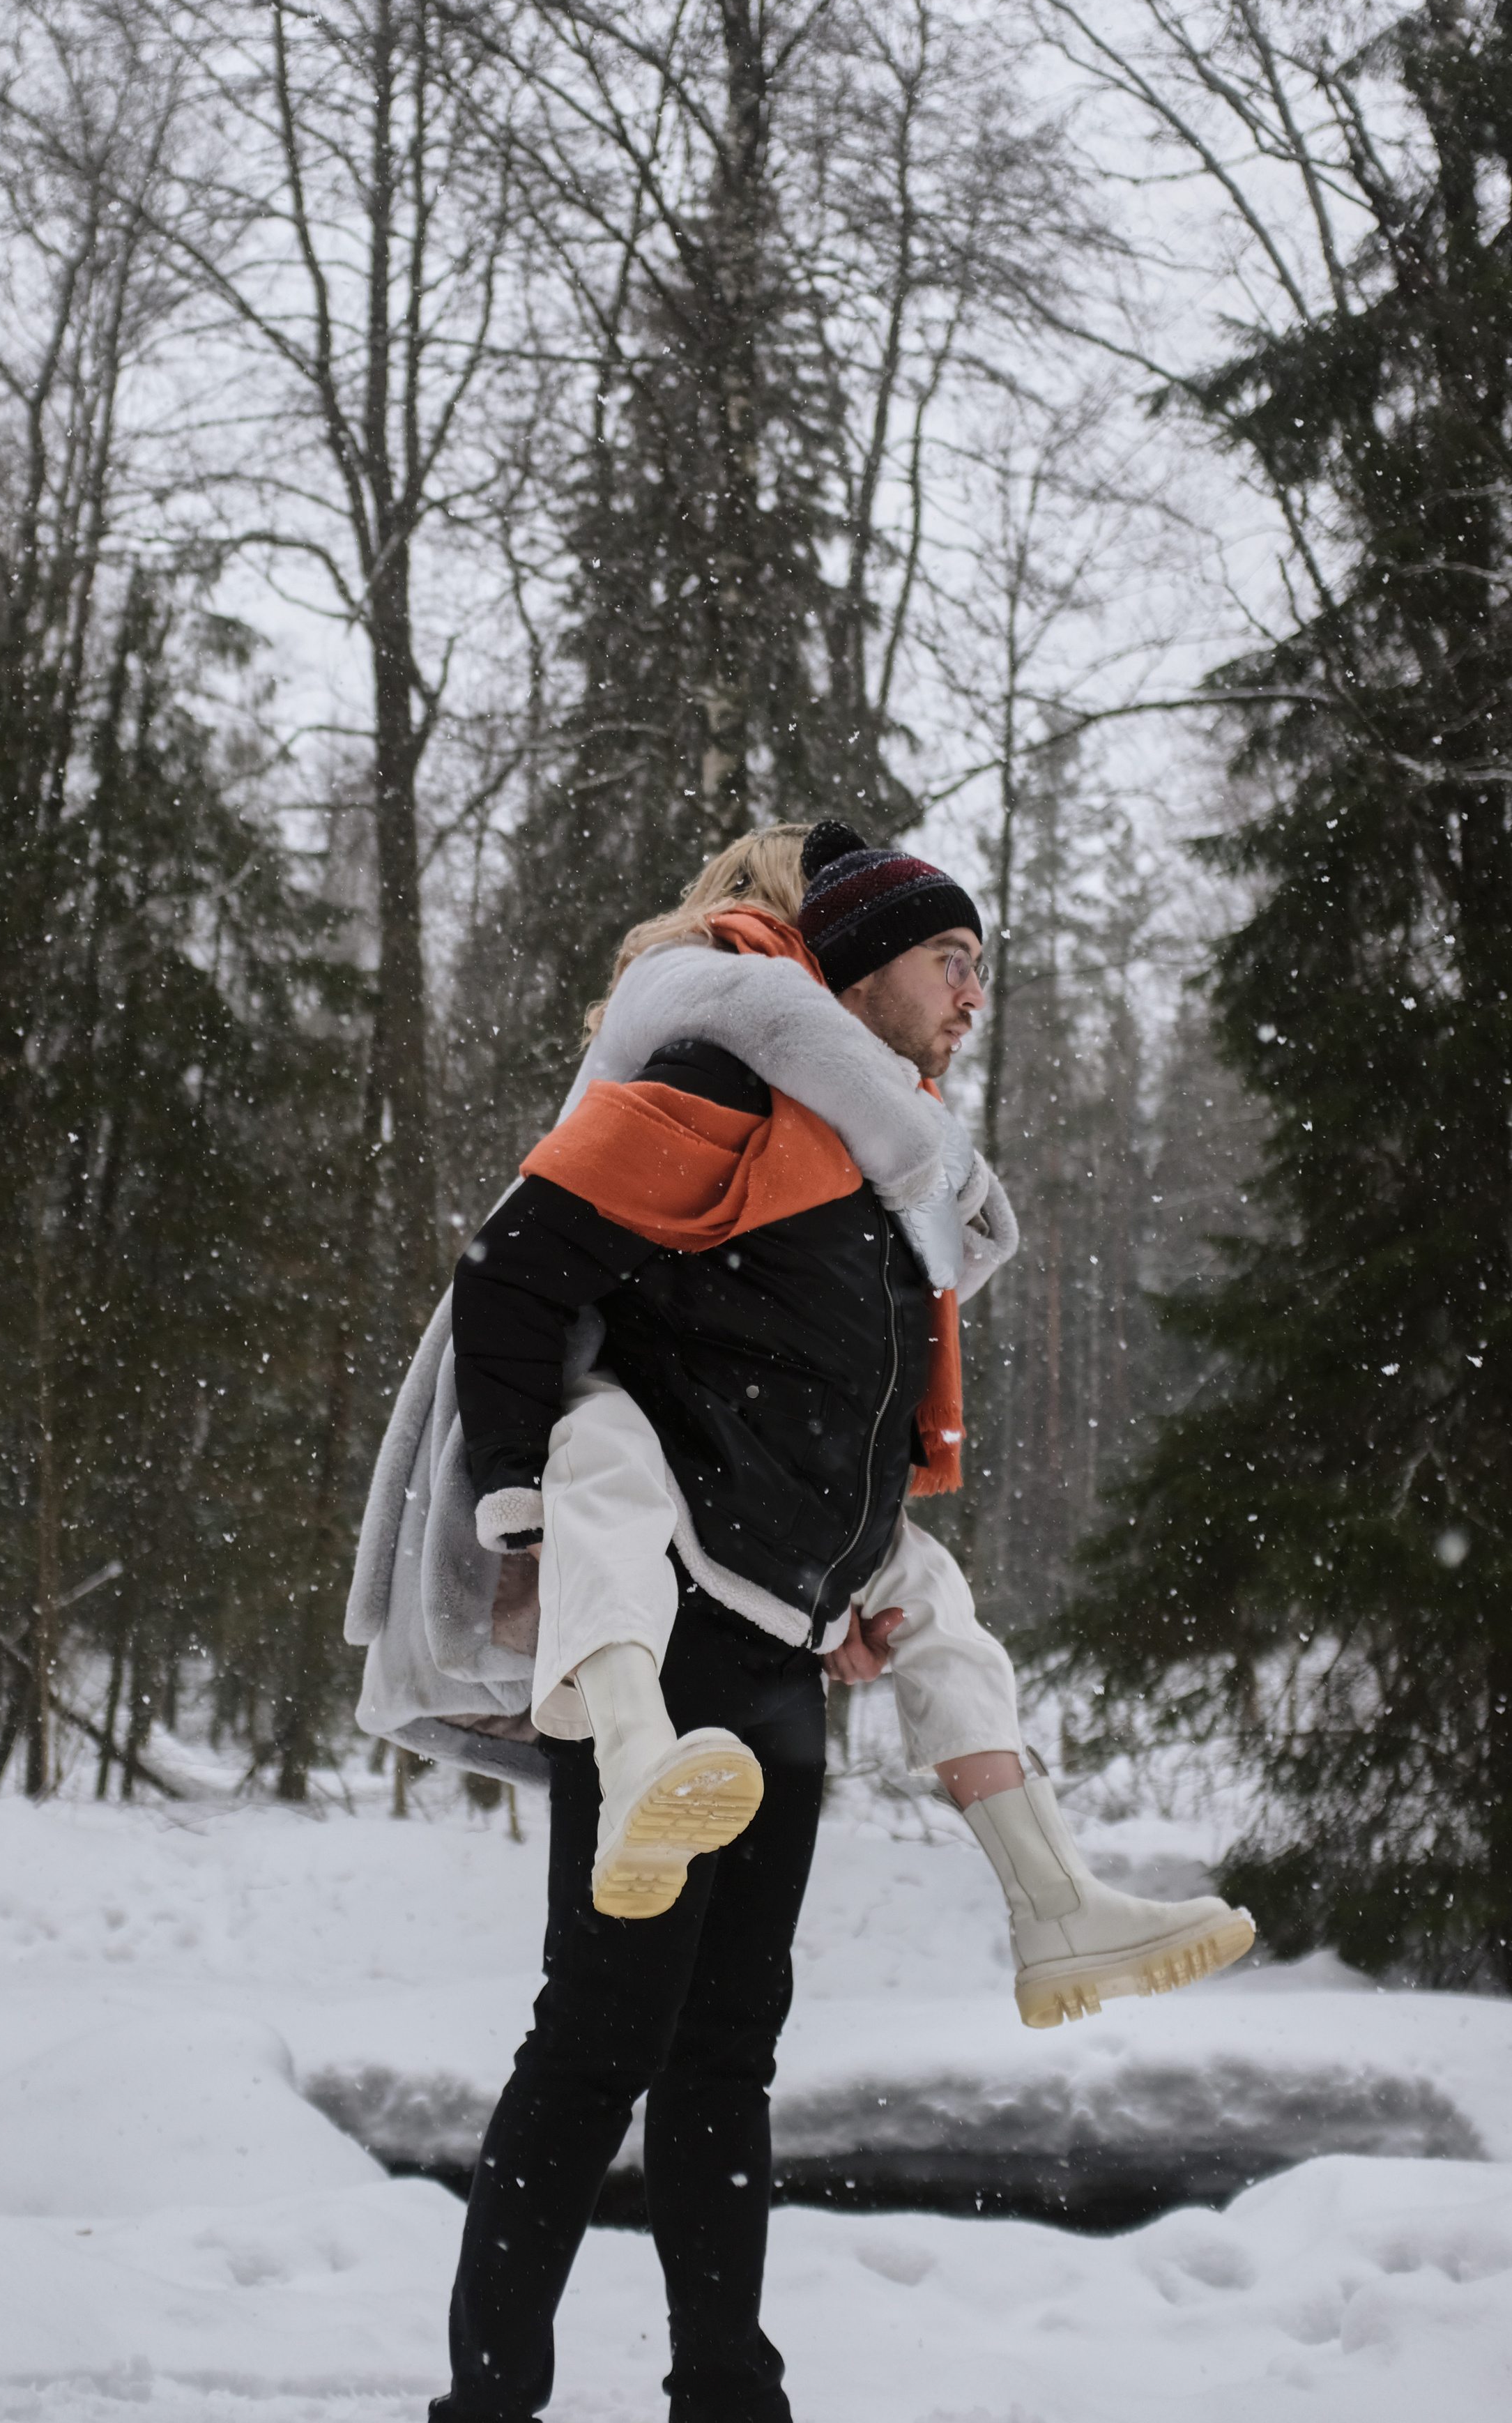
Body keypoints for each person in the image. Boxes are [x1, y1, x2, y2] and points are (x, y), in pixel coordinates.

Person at [428, 823, 1252, 2423]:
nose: (971, 1001)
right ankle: (485, 2411)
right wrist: (522, 1518)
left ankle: (729, 2398)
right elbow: (513, 1271)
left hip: (782, 1648)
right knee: (598, 2043)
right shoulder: (732, 1099)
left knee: (727, 2056)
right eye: (953, 963)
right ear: (860, 965)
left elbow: (829, 1420)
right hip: (656, 1633)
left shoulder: (886, 1175)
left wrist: (847, 1584)